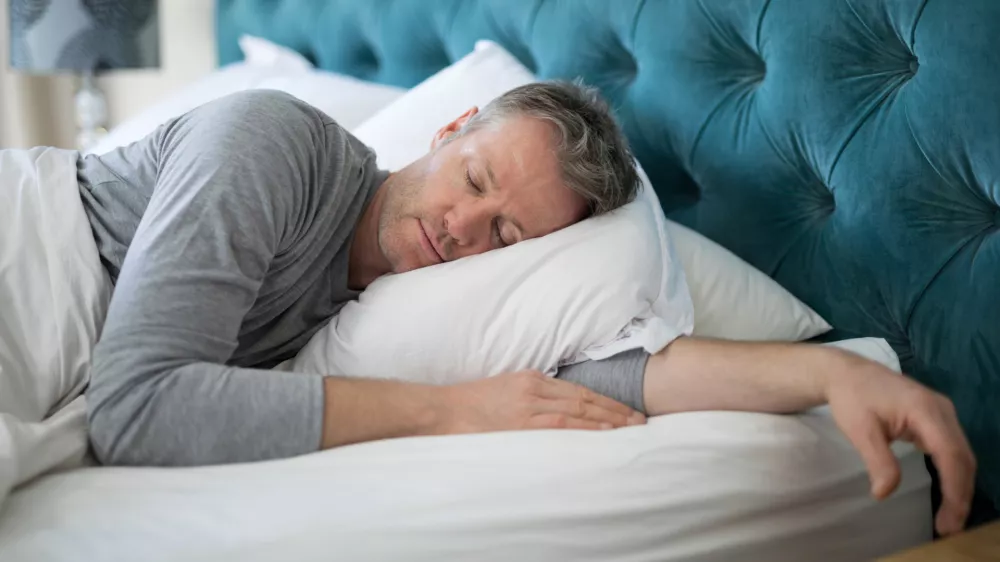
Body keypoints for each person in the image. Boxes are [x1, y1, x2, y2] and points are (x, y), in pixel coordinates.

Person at [79, 83, 974, 536]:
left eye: (507, 233)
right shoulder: (272, 144)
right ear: (448, 127)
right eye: (472, 179)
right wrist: (452, 413)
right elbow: (138, 407)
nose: (462, 229)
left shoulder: (392, 313)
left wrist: (829, 369)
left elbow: (619, 374)